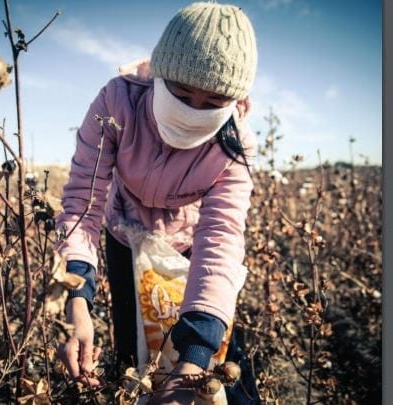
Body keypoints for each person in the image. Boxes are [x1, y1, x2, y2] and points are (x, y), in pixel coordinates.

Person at [56, 2, 258, 403]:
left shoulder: (234, 145)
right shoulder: (118, 102)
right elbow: (83, 200)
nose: (192, 111)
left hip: (187, 247)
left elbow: (220, 239)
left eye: (213, 102)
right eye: (181, 93)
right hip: (123, 236)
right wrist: (76, 299)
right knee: (134, 354)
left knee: (219, 364)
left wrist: (195, 358)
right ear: (159, 77)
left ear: (234, 102)